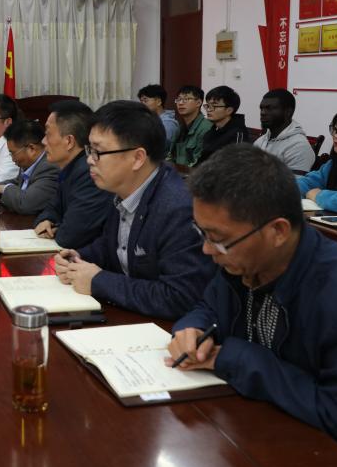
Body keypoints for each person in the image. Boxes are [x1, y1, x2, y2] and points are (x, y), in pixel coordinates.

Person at [168, 145, 337, 467]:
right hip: (250, 440)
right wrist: (193, 328)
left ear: (278, 231)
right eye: (202, 233)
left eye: (217, 239)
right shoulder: (243, 260)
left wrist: (236, 359)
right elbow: (208, 307)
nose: (207, 250)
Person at [54, 100, 216, 320]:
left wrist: (98, 281)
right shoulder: (123, 189)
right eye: (89, 150)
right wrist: (78, 257)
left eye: (98, 151)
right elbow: (113, 246)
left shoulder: (178, 208)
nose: (90, 160)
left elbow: (180, 297)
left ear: (138, 158)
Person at [32, 100, 111, 248]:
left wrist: (57, 228)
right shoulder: (69, 168)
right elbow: (51, 208)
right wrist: (46, 220)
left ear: (69, 141)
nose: (43, 141)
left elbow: (70, 237)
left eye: (48, 134)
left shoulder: (90, 173)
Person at [0, 119, 58, 216]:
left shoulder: (49, 168)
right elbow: (16, 182)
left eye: (13, 153)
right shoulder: (28, 164)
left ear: (31, 149)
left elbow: (26, 204)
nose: (12, 159)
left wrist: (4, 189)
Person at [253, 88, 316, 172]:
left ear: (288, 112)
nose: (263, 113)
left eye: (269, 108)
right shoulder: (260, 141)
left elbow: (294, 180)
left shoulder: (299, 147)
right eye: (261, 108)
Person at [197, 85, 249, 164]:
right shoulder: (211, 132)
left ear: (229, 110)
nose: (208, 110)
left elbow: (237, 165)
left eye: (214, 106)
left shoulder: (238, 134)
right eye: (208, 105)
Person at [168, 84, 211, 167]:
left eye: (186, 99)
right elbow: (171, 156)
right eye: (179, 99)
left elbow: (200, 163)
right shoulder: (180, 128)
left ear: (198, 103)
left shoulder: (206, 128)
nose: (180, 103)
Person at [137, 84, 179, 152]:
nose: (142, 104)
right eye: (141, 101)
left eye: (145, 100)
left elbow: (159, 148)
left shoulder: (168, 123)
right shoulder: (147, 120)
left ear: (159, 102)